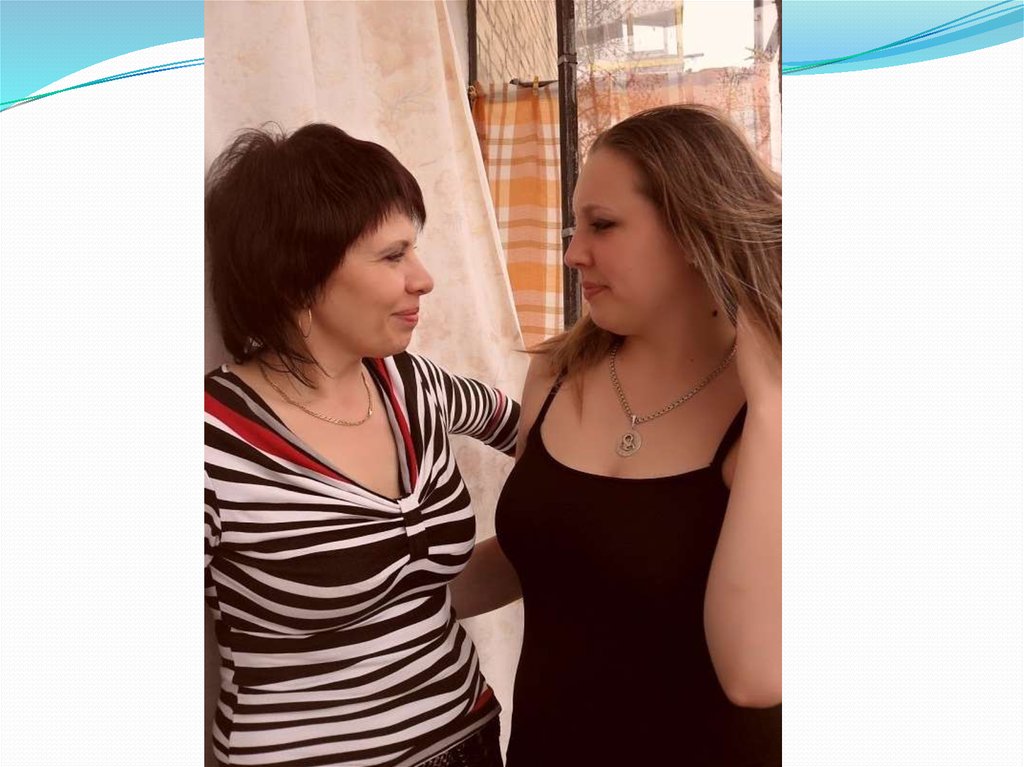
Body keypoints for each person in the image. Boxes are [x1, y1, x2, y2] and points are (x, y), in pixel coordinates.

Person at [204, 123, 519, 767]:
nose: (423, 279)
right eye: (393, 255)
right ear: (297, 277)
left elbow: (555, 446)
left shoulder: (416, 385)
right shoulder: (210, 442)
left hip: (471, 737)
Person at [485, 104, 783, 765]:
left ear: (695, 229)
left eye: (603, 225)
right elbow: (558, 551)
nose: (572, 254)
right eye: (575, 226)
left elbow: (755, 673)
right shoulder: (557, 374)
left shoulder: (771, 415)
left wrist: (771, 406)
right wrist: (372, 590)